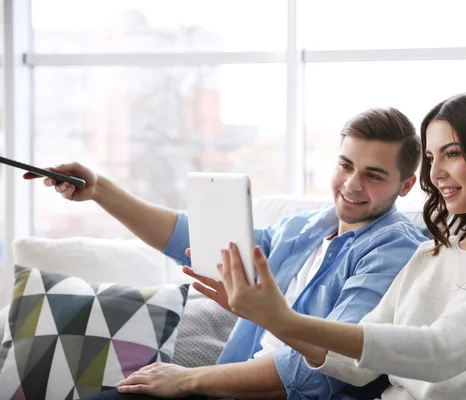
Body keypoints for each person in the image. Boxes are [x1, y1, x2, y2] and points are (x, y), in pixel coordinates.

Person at [27, 107, 428, 399]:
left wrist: (187, 380)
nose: (352, 184)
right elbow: (192, 237)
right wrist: (100, 191)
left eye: (373, 175)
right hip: (226, 385)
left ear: (406, 185)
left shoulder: (393, 250)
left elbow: (324, 369)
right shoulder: (305, 228)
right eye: (346, 165)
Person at [213, 89, 466, 400]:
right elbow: (355, 367)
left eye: (452, 154)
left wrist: (285, 319)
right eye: (431, 157)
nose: (436, 173)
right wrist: (268, 318)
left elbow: (439, 351)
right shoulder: (433, 253)